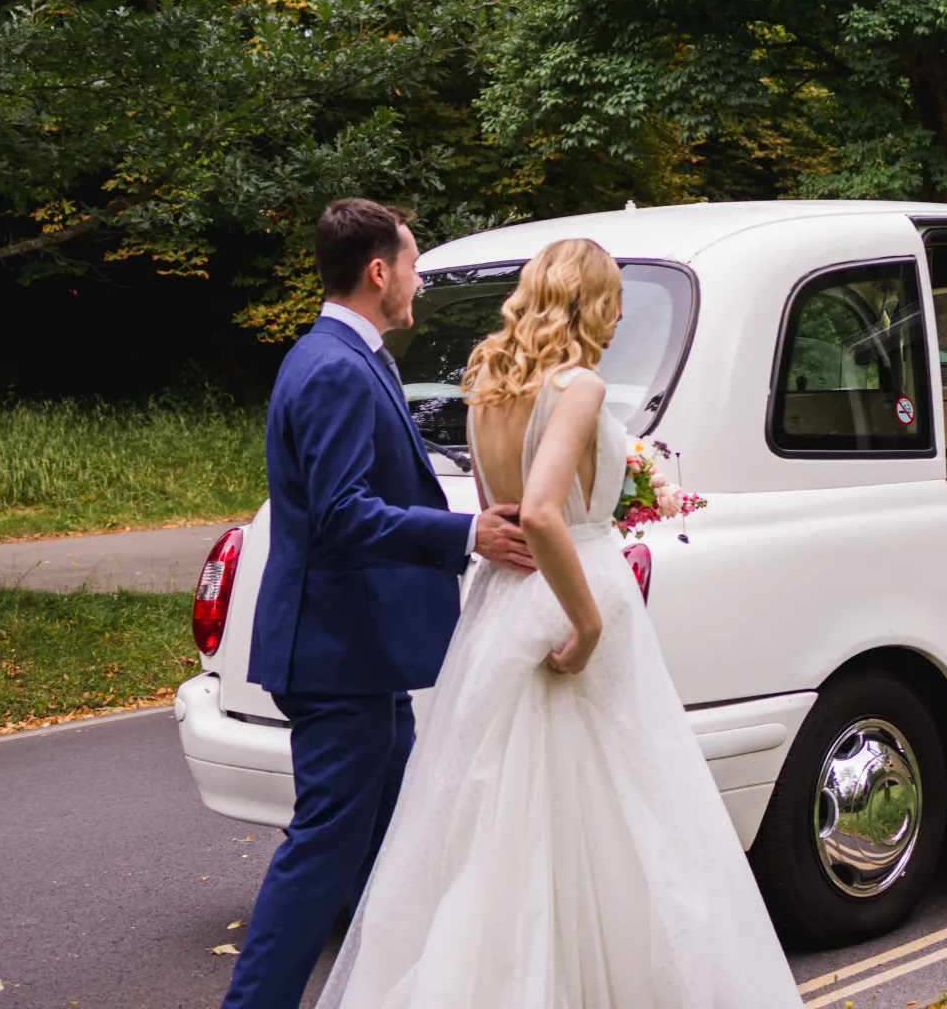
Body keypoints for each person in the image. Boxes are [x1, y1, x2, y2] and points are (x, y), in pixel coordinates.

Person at [314, 239, 803, 1008]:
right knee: (624, 811)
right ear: (597, 300)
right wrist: (591, 626)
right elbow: (542, 513)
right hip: (570, 598)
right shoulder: (578, 386)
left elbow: (497, 509)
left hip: (501, 606)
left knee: (499, 817)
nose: (616, 316)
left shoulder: (483, 379)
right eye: (613, 301)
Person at [220, 199, 535, 1009]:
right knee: (326, 848)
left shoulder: (344, 356)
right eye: (414, 263)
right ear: (378, 271)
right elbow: (341, 512)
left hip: (363, 656)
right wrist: (467, 534)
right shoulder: (332, 366)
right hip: (338, 657)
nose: (419, 280)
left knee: (395, 846)